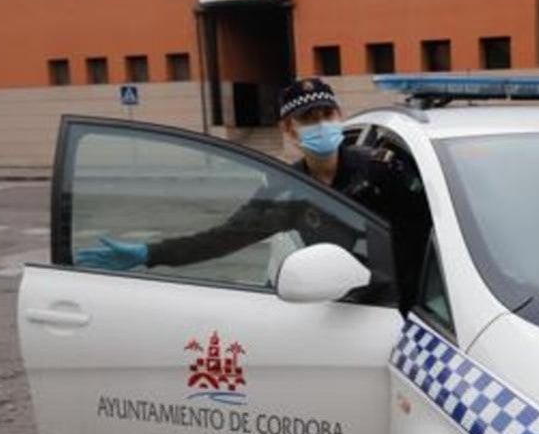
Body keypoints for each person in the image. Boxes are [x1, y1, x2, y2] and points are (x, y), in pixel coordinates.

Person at [76, 77, 431, 309]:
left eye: (326, 113)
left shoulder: (381, 169)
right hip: (344, 312)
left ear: (339, 116)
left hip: (413, 311)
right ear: (290, 130)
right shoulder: (286, 191)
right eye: (309, 119)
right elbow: (224, 238)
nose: (321, 124)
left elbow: (439, 230)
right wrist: (148, 253)